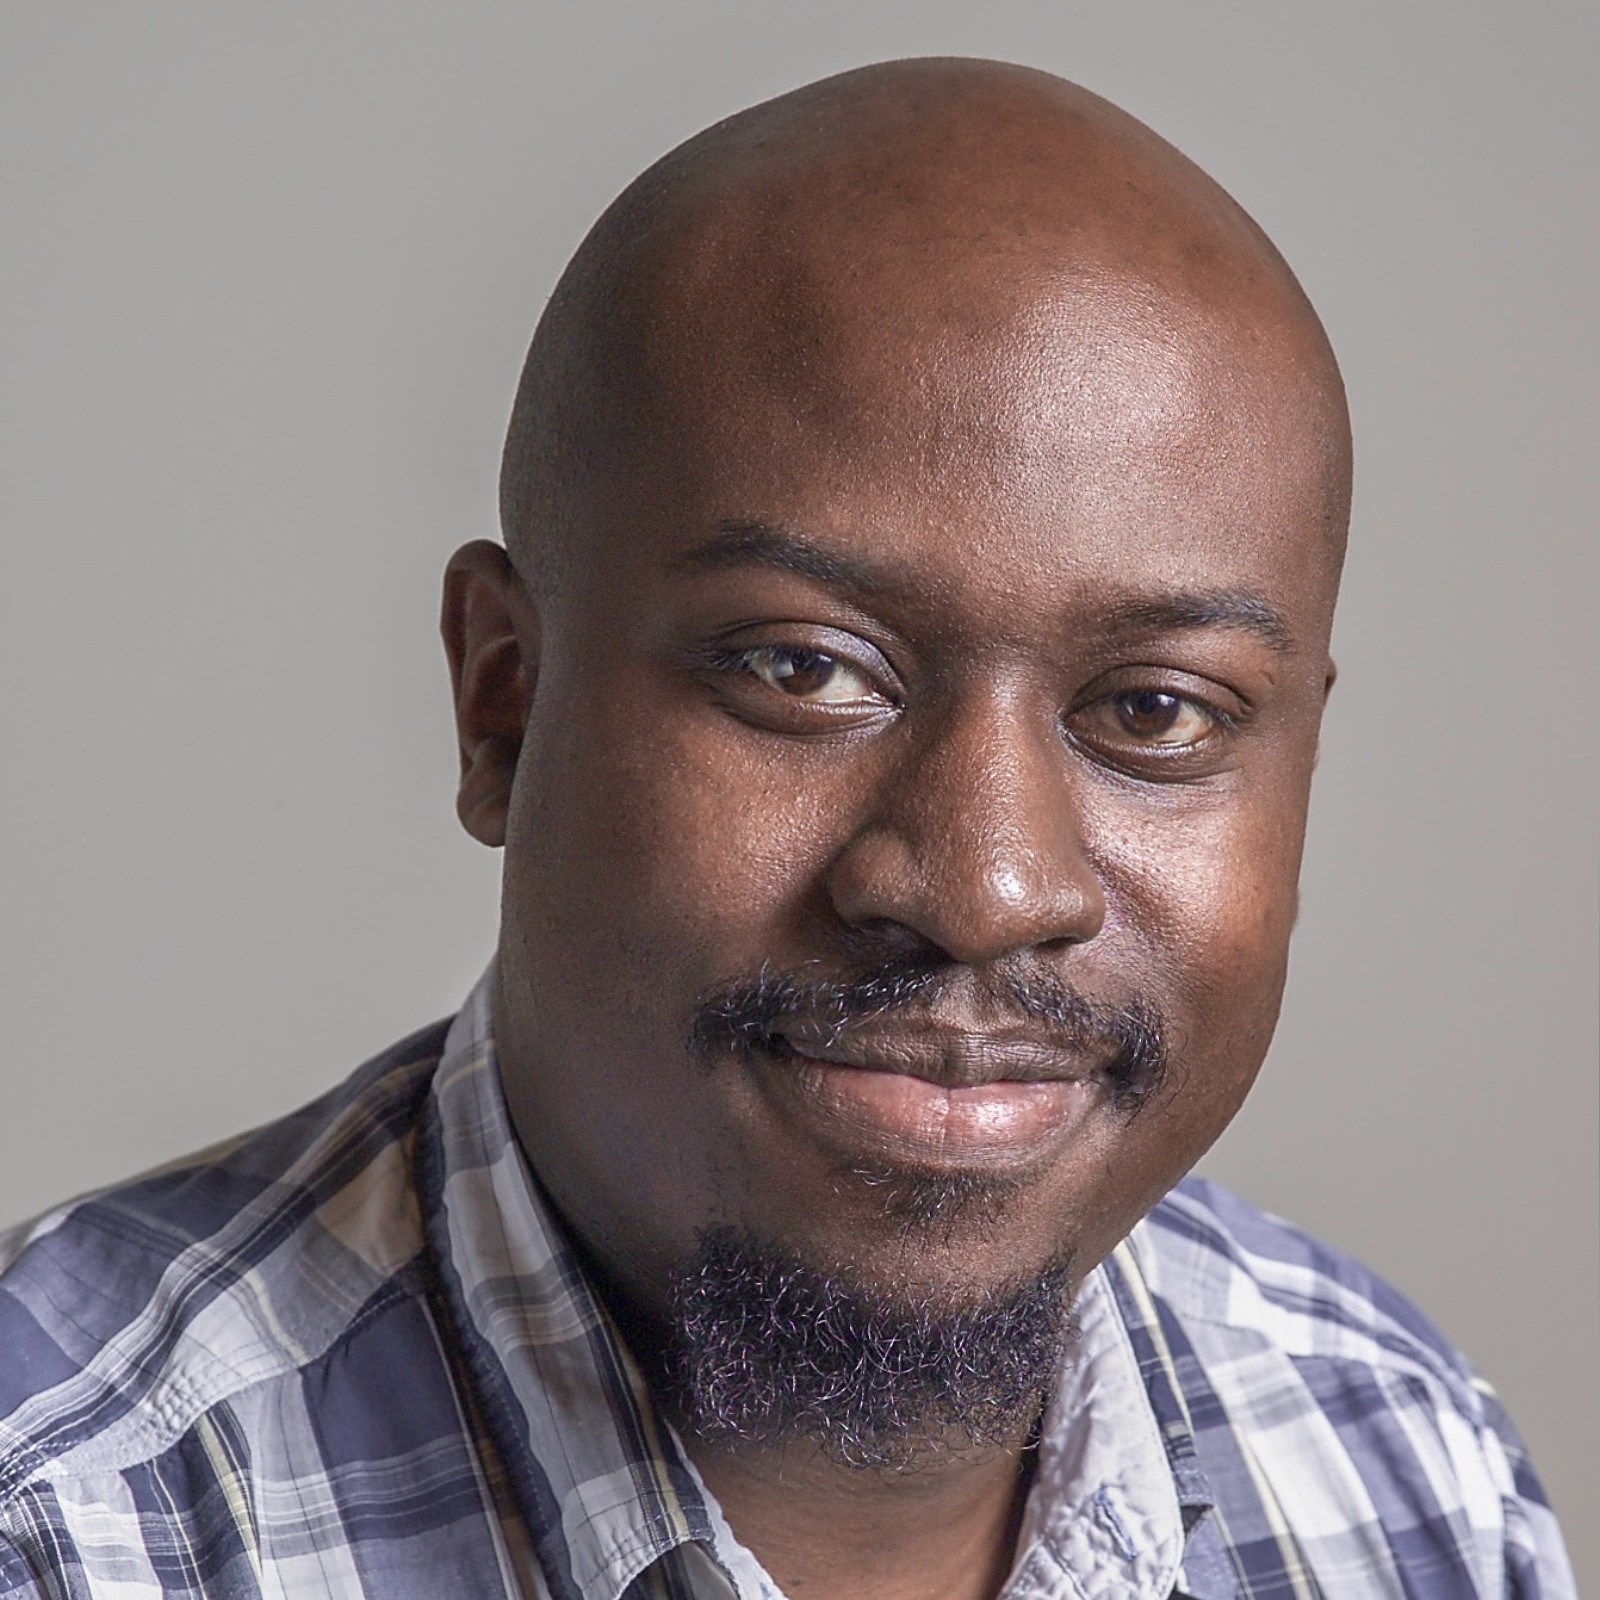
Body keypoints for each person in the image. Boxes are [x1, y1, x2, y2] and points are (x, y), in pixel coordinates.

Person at [0, 57, 1575, 1600]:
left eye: (1157, 710)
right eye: (805, 670)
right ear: (504, 703)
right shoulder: (64, 1531)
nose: (985, 886)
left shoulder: (1406, 1468)